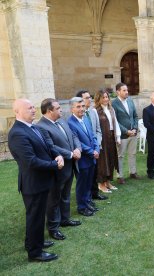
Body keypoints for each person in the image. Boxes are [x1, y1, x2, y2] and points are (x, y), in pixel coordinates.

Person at [8, 99, 63, 262]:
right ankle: (35, 252)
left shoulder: (33, 127)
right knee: (35, 217)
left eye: (33, 107)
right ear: (17, 112)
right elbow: (31, 162)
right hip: (33, 183)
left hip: (41, 181)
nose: (33, 110)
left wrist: (57, 155)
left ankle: (33, 242)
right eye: (29, 108)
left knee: (37, 216)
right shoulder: (17, 133)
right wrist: (54, 164)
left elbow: (47, 146)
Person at [36, 99, 82, 241]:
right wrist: (70, 154)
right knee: (54, 198)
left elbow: (73, 136)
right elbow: (50, 147)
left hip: (70, 165)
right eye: (58, 108)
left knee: (66, 194)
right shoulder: (41, 126)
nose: (61, 110)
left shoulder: (62, 121)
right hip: (57, 168)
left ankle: (65, 219)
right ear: (50, 111)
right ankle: (53, 228)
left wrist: (78, 148)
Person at [67, 97, 100, 216]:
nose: (81, 109)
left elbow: (92, 135)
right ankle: (82, 207)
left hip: (92, 157)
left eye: (82, 106)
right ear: (72, 109)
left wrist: (96, 148)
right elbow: (78, 143)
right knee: (82, 184)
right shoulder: (70, 123)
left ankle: (87, 202)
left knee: (89, 182)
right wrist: (92, 151)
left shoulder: (85, 118)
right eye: (78, 107)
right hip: (82, 160)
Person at [76, 89, 107, 200]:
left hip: (95, 147)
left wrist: (97, 146)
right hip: (86, 151)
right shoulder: (80, 116)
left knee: (95, 172)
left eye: (90, 97)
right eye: (87, 98)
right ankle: (87, 197)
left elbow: (98, 130)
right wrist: (91, 149)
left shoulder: (93, 112)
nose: (90, 99)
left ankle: (95, 193)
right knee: (86, 175)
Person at [112, 82, 140, 184]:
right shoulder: (114, 104)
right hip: (123, 135)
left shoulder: (130, 101)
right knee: (120, 155)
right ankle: (120, 176)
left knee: (132, 153)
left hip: (133, 133)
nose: (126, 92)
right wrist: (126, 131)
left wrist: (135, 128)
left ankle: (133, 172)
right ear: (118, 92)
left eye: (127, 90)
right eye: (124, 90)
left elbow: (135, 116)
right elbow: (115, 121)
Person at [95, 89, 121, 192]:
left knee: (111, 159)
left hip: (111, 137)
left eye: (107, 97)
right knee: (103, 161)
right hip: (102, 139)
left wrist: (118, 137)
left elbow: (116, 123)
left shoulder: (111, 109)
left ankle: (108, 182)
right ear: (99, 99)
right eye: (103, 97)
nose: (106, 99)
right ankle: (101, 184)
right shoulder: (96, 111)